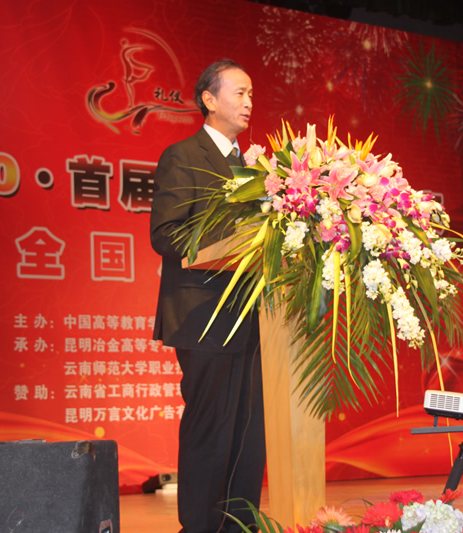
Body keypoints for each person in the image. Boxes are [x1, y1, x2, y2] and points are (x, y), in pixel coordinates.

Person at [150, 59, 265, 533]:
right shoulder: (183, 156)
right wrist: (230, 246)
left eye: (252, 94)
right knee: (211, 426)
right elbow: (166, 234)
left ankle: (240, 523)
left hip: (252, 315)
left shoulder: (255, 169)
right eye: (239, 93)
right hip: (204, 313)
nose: (249, 102)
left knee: (248, 431)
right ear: (209, 99)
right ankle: (199, 526)